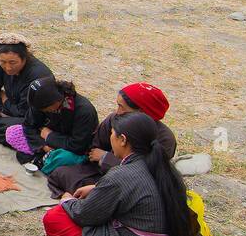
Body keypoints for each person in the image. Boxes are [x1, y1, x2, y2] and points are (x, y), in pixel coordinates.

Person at [43, 112, 200, 236]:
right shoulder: (163, 168)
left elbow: (84, 215)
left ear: (123, 140)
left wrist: (68, 201)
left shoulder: (122, 175)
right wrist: (97, 188)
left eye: (112, 134)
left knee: (55, 218)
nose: (110, 138)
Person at [48, 83, 176, 197]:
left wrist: (106, 158)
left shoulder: (164, 139)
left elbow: (146, 176)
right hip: (100, 172)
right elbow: (93, 149)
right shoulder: (114, 119)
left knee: (104, 195)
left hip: (130, 185)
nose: (117, 111)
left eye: (122, 107)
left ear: (141, 112)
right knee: (60, 173)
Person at [0, 33, 53, 144]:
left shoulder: (38, 76)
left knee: (15, 129)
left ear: (25, 58)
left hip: (28, 117)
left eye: (13, 63)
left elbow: (23, 111)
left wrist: (4, 100)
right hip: (6, 110)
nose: (8, 68)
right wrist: (1, 109)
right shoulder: (2, 63)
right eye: (3, 62)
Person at [11, 75, 99, 166]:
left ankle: (41, 160)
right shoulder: (39, 104)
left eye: (45, 109)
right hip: (45, 142)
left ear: (57, 101)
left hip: (69, 149)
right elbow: (28, 125)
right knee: (12, 133)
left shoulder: (84, 111)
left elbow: (78, 145)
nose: (43, 111)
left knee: (64, 158)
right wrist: (42, 146)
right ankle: (42, 158)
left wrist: (50, 136)